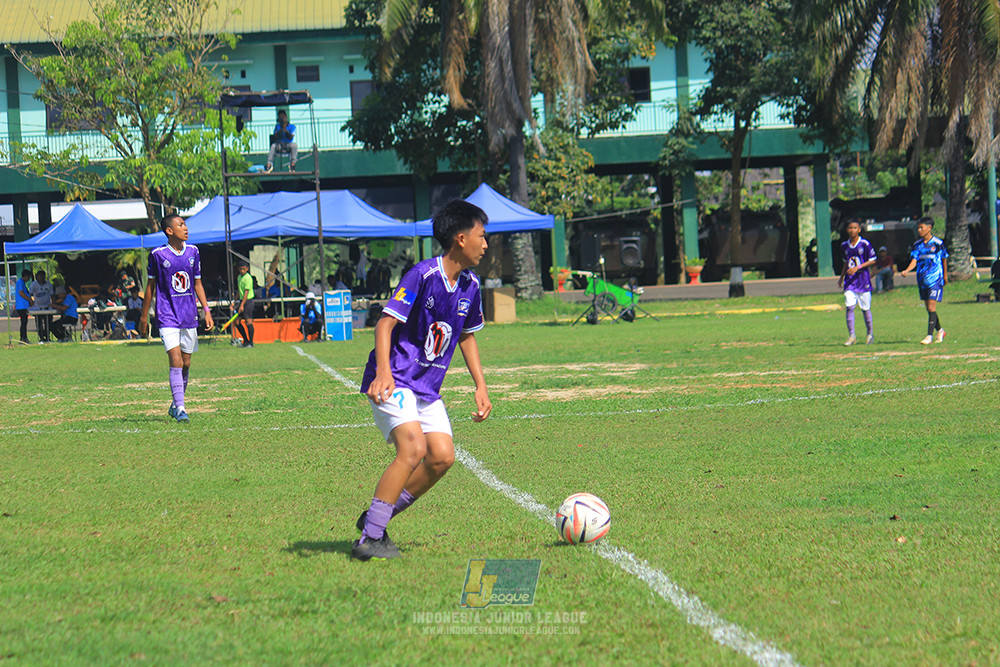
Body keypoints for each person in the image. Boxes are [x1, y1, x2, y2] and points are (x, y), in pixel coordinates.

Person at [352, 199, 492, 561]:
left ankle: (376, 518)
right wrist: (383, 371)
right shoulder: (422, 275)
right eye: (482, 235)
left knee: (443, 458)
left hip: (427, 388)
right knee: (413, 449)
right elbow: (385, 324)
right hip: (395, 378)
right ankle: (369, 538)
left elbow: (466, 336)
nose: (486, 244)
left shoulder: (471, 285)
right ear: (460, 238)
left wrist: (480, 385)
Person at [140, 213, 214, 423]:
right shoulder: (158, 254)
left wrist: (206, 310)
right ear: (169, 231)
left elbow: (197, 283)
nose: (186, 228)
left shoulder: (194, 252)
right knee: (176, 360)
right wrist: (144, 317)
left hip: (189, 315)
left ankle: (175, 404)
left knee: (187, 363)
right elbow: (150, 287)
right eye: (181, 224)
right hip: (167, 316)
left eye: (185, 224)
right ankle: (181, 408)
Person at [901, 217, 948, 344]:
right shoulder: (917, 245)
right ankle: (940, 330)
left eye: (922, 227)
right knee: (929, 308)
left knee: (932, 307)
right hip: (922, 280)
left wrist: (945, 275)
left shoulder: (938, 243)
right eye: (918, 228)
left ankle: (929, 336)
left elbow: (944, 259)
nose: (920, 230)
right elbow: (914, 260)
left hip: (935, 279)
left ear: (929, 228)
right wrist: (907, 270)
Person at [838, 220, 876, 346]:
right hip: (850, 282)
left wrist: (858, 268)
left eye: (855, 228)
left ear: (859, 229)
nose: (852, 230)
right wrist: (841, 277)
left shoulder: (865, 244)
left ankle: (870, 334)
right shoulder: (844, 245)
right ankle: (852, 335)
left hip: (863, 281)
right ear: (847, 230)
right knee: (849, 306)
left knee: (865, 308)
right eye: (850, 228)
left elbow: (872, 260)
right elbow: (845, 262)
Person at [233, 262, 255, 347]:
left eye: (243, 269)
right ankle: (245, 341)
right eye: (240, 269)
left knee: (248, 321)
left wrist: (242, 305)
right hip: (242, 301)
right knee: (237, 322)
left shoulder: (248, 278)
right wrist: (234, 302)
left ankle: (251, 343)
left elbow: (246, 293)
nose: (242, 271)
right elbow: (239, 291)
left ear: (247, 269)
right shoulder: (239, 277)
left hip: (248, 301)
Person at [29, 270, 54, 343]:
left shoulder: (48, 284)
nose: (41, 278)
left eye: (43, 276)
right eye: (40, 276)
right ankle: (41, 337)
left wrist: (53, 304)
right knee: (39, 323)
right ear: (37, 277)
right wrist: (31, 302)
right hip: (38, 307)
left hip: (47, 306)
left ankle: (48, 337)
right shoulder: (33, 284)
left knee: (48, 323)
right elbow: (29, 294)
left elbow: (52, 295)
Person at [14, 268, 33, 345]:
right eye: (28, 277)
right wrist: (29, 300)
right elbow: (21, 293)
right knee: (24, 321)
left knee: (24, 321)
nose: (28, 279)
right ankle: (23, 338)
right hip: (21, 306)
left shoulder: (22, 283)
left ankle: (24, 337)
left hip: (24, 306)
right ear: (26, 276)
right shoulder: (20, 282)